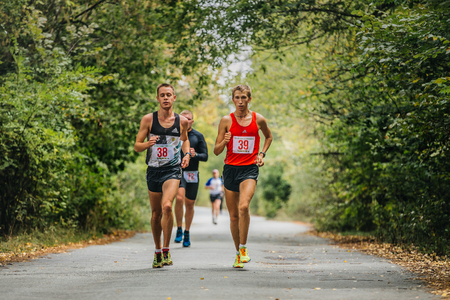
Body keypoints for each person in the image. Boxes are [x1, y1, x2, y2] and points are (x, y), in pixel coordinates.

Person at [214, 84, 273, 268]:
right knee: (233, 216)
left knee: (244, 206)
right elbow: (216, 151)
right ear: (233, 99)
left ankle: (244, 247)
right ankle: (238, 253)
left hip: (249, 169)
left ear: (249, 99)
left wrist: (261, 154)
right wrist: (224, 141)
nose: (240, 101)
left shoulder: (258, 119)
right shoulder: (226, 120)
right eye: (237, 98)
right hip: (230, 169)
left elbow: (268, 137)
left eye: (244, 97)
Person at [134, 83, 191, 268]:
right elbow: (137, 146)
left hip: (172, 170)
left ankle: (166, 249)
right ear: (158, 98)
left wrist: (187, 154)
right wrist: (148, 144)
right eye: (162, 95)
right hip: (153, 170)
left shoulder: (181, 121)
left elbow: (184, 141)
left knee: (167, 206)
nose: (166, 98)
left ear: (174, 98)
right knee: (156, 213)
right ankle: (157, 251)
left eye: (169, 95)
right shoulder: (148, 120)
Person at [174, 110, 208, 247]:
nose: (186, 120)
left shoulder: (198, 136)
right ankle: (178, 228)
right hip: (178, 172)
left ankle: (187, 231)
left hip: (193, 173)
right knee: (179, 198)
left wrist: (196, 155)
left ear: (192, 121)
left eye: (188, 119)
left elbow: (205, 156)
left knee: (189, 204)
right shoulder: (174, 134)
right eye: (183, 118)